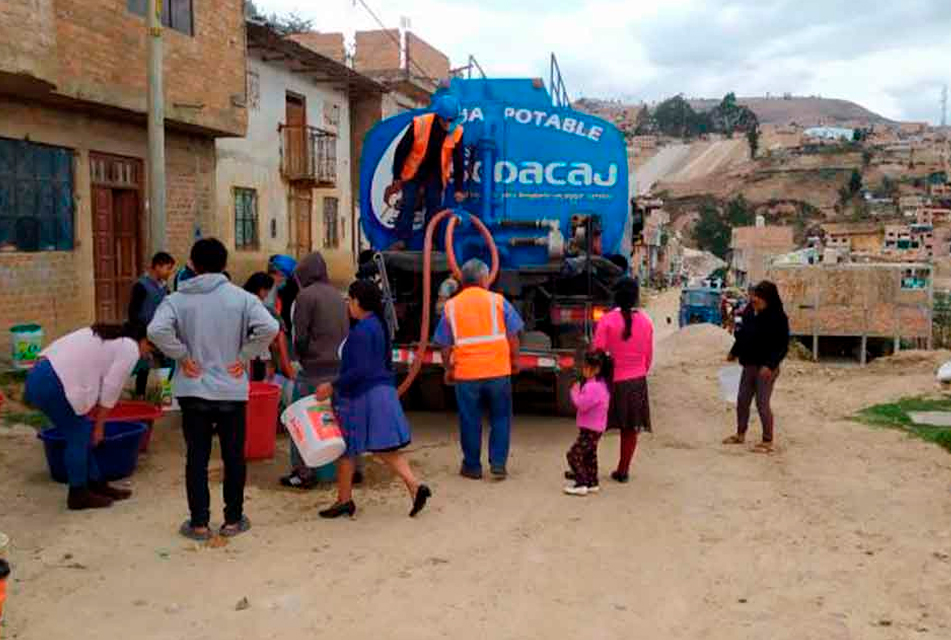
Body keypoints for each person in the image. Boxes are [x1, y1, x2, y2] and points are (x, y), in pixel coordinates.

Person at [148, 238, 279, 540]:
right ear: (224, 265)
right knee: (234, 456)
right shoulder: (241, 298)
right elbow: (270, 328)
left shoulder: (177, 299)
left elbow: (155, 330)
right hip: (231, 389)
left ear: (192, 265)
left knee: (197, 457)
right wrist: (244, 355)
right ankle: (233, 520)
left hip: (193, 389)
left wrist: (181, 355)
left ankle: (199, 523)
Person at [315, 280, 431, 518]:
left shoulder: (361, 331)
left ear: (357, 301)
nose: (348, 304)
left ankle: (344, 500)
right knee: (383, 447)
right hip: (382, 392)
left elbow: (358, 371)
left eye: (350, 299)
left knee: (347, 447)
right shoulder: (378, 325)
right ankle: (413, 485)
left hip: (362, 396)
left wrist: (332, 386)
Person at [24, 322, 153, 510]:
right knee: (78, 436)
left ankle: (96, 484)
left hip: (40, 377)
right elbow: (111, 388)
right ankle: (78, 495)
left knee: (81, 430)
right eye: (150, 349)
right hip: (53, 382)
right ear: (144, 340)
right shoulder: (130, 348)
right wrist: (100, 427)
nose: (147, 355)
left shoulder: (107, 336)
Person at [434, 258, 524, 480]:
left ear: (462, 281)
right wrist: (514, 361)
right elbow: (513, 337)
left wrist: (448, 368)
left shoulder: (451, 307)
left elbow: (444, 346)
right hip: (497, 372)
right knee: (500, 418)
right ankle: (498, 464)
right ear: (485, 279)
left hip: (467, 375)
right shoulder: (499, 301)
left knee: (470, 420)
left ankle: (472, 467)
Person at [281, 251, 350, 489]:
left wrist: (300, 357)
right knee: (340, 421)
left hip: (313, 371)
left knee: (300, 419)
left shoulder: (306, 296)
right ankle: (351, 470)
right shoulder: (338, 296)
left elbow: (300, 336)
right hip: (339, 369)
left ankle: (303, 472)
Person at [593, 277, 654, 483]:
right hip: (636, 381)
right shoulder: (646, 322)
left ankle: (585, 466)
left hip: (610, 381)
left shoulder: (607, 320)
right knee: (630, 429)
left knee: (594, 426)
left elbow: (597, 353)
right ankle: (623, 470)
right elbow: (648, 357)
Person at [387, 94, 466, 250]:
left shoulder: (457, 131)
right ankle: (401, 241)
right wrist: (397, 177)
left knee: (434, 208)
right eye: (449, 121)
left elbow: (458, 162)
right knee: (408, 204)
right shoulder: (420, 124)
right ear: (440, 117)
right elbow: (401, 150)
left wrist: (458, 189)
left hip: (435, 176)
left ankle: (432, 243)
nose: (451, 124)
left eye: (453, 121)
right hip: (414, 173)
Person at [723, 280, 790, 453]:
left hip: (767, 368)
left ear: (768, 299)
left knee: (762, 403)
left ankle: (767, 441)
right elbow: (743, 335)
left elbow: (782, 346)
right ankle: (740, 434)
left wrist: (770, 365)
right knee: (742, 400)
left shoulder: (778, 317)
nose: (754, 301)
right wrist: (734, 352)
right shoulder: (749, 312)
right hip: (749, 364)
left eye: (758, 298)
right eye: (753, 297)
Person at [563, 350, 613, 496]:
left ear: (596, 369)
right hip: (595, 427)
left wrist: (574, 391)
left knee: (573, 454)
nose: (583, 370)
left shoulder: (593, 387)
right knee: (590, 455)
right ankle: (592, 482)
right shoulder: (602, 384)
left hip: (591, 428)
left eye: (585, 367)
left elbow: (581, 404)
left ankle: (581, 482)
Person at [129, 251, 176, 398]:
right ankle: (140, 396)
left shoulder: (164, 288)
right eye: (168, 268)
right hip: (144, 332)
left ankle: (166, 395)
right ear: (157, 267)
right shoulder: (141, 286)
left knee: (167, 364)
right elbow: (132, 313)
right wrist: (140, 336)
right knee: (144, 366)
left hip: (162, 333)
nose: (170, 273)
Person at [243, 272, 295, 383]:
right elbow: (273, 329)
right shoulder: (256, 305)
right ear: (261, 289)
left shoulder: (242, 300)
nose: (267, 295)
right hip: (255, 359)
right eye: (267, 291)